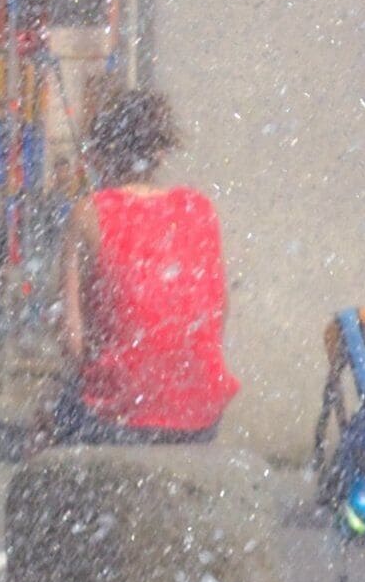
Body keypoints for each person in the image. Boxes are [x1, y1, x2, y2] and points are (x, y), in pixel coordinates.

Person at [54, 89, 238, 447]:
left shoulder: (89, 213)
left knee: (54, 420)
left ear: (100, 153)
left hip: (119, 414)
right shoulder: (198, 209)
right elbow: (219, 310)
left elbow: (71, 336)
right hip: (199, 412)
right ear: (161, 151)